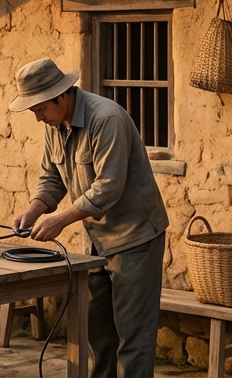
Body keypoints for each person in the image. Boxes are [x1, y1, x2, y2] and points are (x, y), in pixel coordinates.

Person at [10, 57, 169, 378]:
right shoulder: (55, 126)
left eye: (40, 108)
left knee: (133, 336)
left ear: (61, 95)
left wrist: (60, 220)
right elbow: (51, 178)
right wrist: (34, 209)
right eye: (33, 111)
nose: (38, 117)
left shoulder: (106, 118)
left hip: (135, 238)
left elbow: (108, 187)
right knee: (99, 334)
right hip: (96, 240)